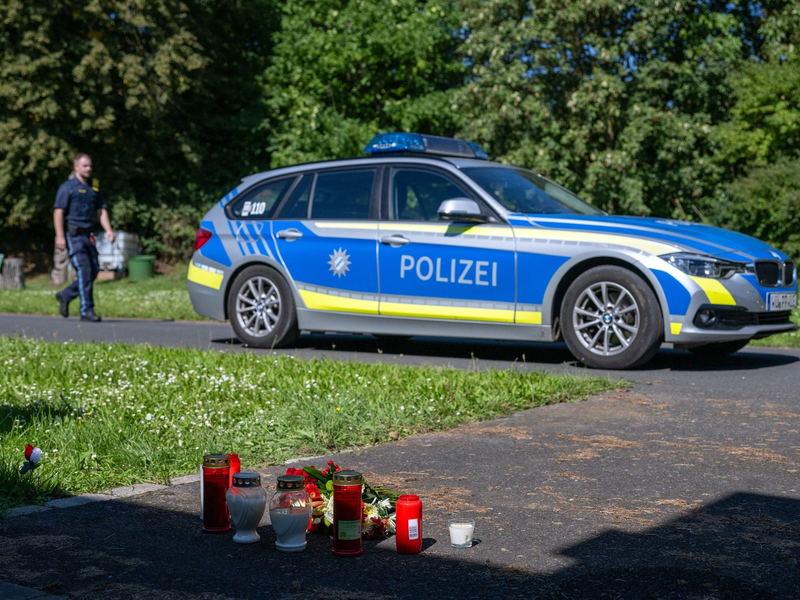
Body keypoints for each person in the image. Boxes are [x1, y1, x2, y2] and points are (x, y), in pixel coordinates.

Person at [54, 153, 114, 322]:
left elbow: (101, 210)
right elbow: (58, 211)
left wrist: (108, 230)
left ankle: (66, 295)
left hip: (89, 236)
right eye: (85, 166)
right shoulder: (67, 188)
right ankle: (86, 310)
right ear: (76, 167)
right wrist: (59, 236)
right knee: (84, 271)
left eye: (90, 166)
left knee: (94, 270)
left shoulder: (93, 187)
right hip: (74, 236)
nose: (88, 169)